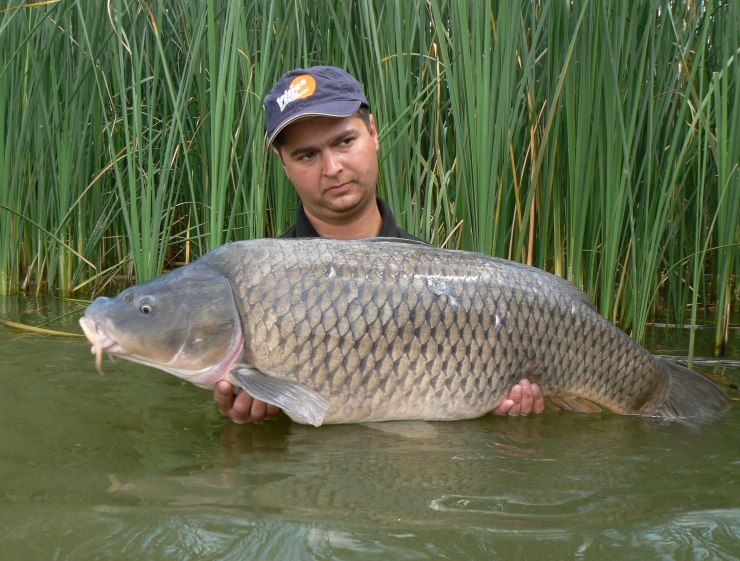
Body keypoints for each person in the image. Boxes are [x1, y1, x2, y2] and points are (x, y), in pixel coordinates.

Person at [214, 66, 545, 424]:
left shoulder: (436, 272)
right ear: (283, 163)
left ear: (372, 133)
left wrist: (498, 412)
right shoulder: (255, 285)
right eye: (307, 155)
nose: (333, 167)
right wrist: (250, 429)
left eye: (344, 141)